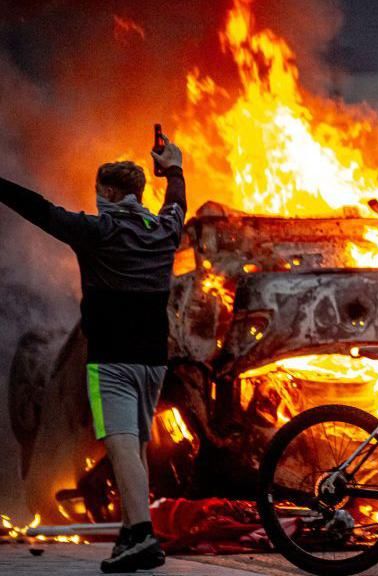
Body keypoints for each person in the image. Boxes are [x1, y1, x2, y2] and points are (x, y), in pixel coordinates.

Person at [1, 140, 186, 573]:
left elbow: (39, 209)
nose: (96, 199)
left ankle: (142, 536)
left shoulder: (96, 231)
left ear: (109, 193)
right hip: (153, 361)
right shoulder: (165, 230)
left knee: (120, 445)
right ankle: (130, 535)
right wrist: (173, 169)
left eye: (99, 191)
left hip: (113, 360)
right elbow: (177, 201)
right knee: (135, 444)